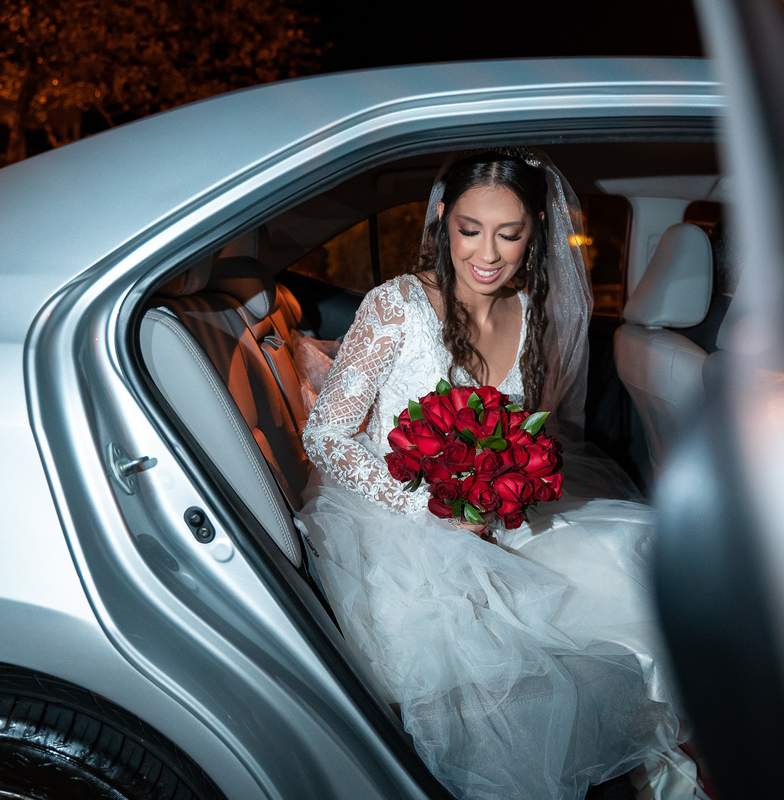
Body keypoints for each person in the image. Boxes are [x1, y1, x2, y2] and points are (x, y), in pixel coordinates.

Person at [298, 150, 705, 800]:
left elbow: (513, 433)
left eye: (509, 233)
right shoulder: (396, 306)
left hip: (491, 521)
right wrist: (431, 510)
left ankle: (670, 772)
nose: (488, 252)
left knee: (638, 561)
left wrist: (501, 490)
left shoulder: (526, 315)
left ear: (533, 234)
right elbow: (323, 435)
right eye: (470, 229)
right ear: (442, 223)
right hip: (395, 528)